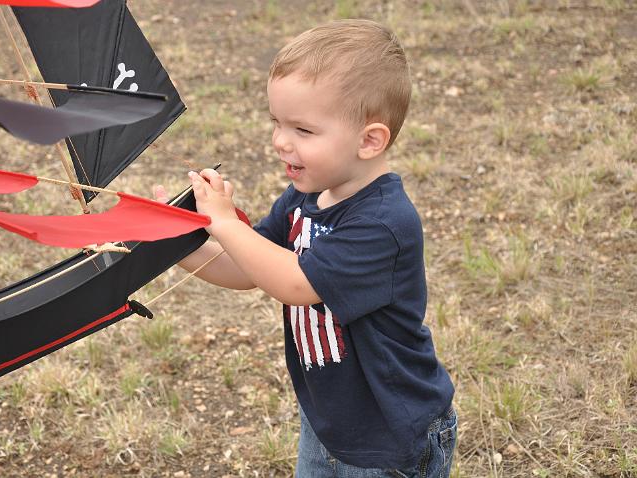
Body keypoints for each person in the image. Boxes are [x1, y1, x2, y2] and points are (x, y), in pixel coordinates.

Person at [173, 19, 456, 478]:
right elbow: (248, 269)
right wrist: (169, 243)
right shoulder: (306, 197)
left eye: (303, 130)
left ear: (369, 140)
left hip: (391, 437)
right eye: (277, 123)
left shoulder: (383, 223)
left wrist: (224, 222)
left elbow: (294, 282)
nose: (281, 141)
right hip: (328, 421)